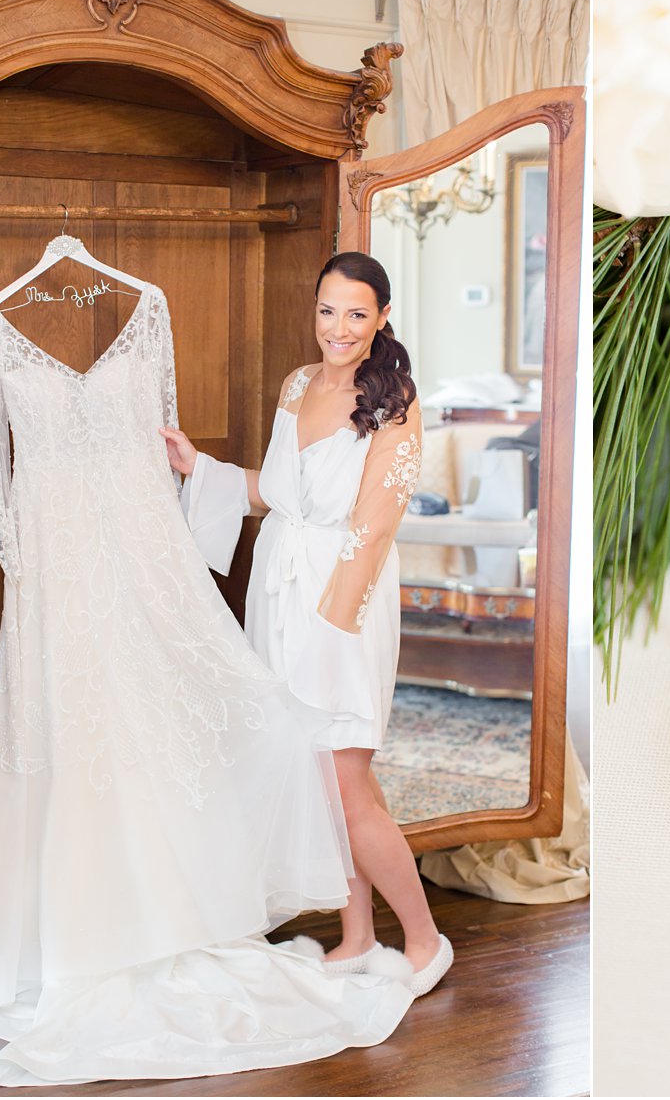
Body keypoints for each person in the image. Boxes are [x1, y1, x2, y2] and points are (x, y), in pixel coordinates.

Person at [162, 250, 450, 994]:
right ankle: (357, 936)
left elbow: (375, 523)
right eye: (328, 310)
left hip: (341, 603)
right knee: (318, 776)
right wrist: (201, 466)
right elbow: (278, 494)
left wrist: (335, 622)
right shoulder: (297, 384)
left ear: (382, 316)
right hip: (279, 593)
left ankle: (424, 941)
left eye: (357, 313)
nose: (339, 327)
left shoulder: (395, 400)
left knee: (344, 773)